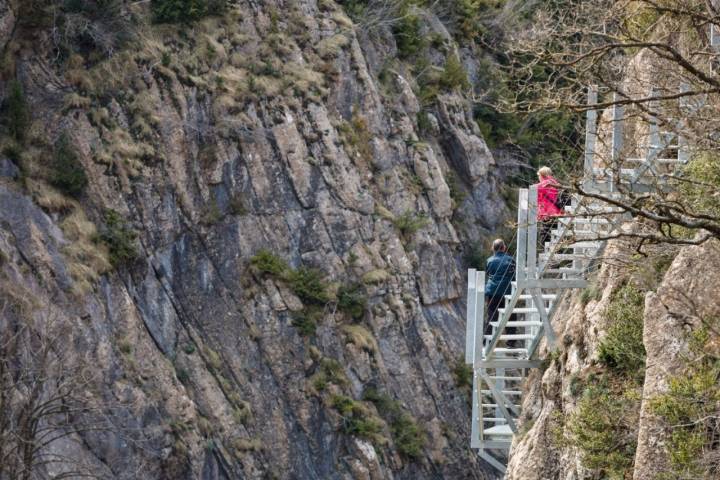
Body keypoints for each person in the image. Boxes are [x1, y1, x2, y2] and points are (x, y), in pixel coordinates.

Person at [484, 239, 515, 336]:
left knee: (492, 315)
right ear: (504, 248)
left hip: (493, 292)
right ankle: (511, 342)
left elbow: (488, 273)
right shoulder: (511, 260)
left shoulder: (489, 261)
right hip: (508, 292)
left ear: (493, 248)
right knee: (511, 316)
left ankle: (487, 339)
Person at [534, 166, 564, 248]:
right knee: (556, 238)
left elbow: (533, 190)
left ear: (542, 175)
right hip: (557, 213)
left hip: (547, 214)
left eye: (539, 176)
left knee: (545, 238)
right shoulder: (555, 183)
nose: (539, 178)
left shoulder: (543, 185)